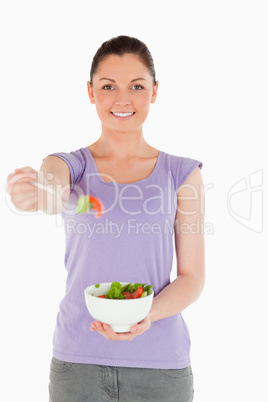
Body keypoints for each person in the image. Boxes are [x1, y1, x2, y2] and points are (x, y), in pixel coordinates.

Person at [6, 35, 205, 402]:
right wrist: (36, 194)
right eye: (109, 86)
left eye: (137, 86)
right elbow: (53, 192)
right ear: (91, 91)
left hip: (161, 368)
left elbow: (192, 278)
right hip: (78, 365)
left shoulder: (182, 174)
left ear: (155, 91)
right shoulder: (71, 165)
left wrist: (146, 314)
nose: (123, 98)